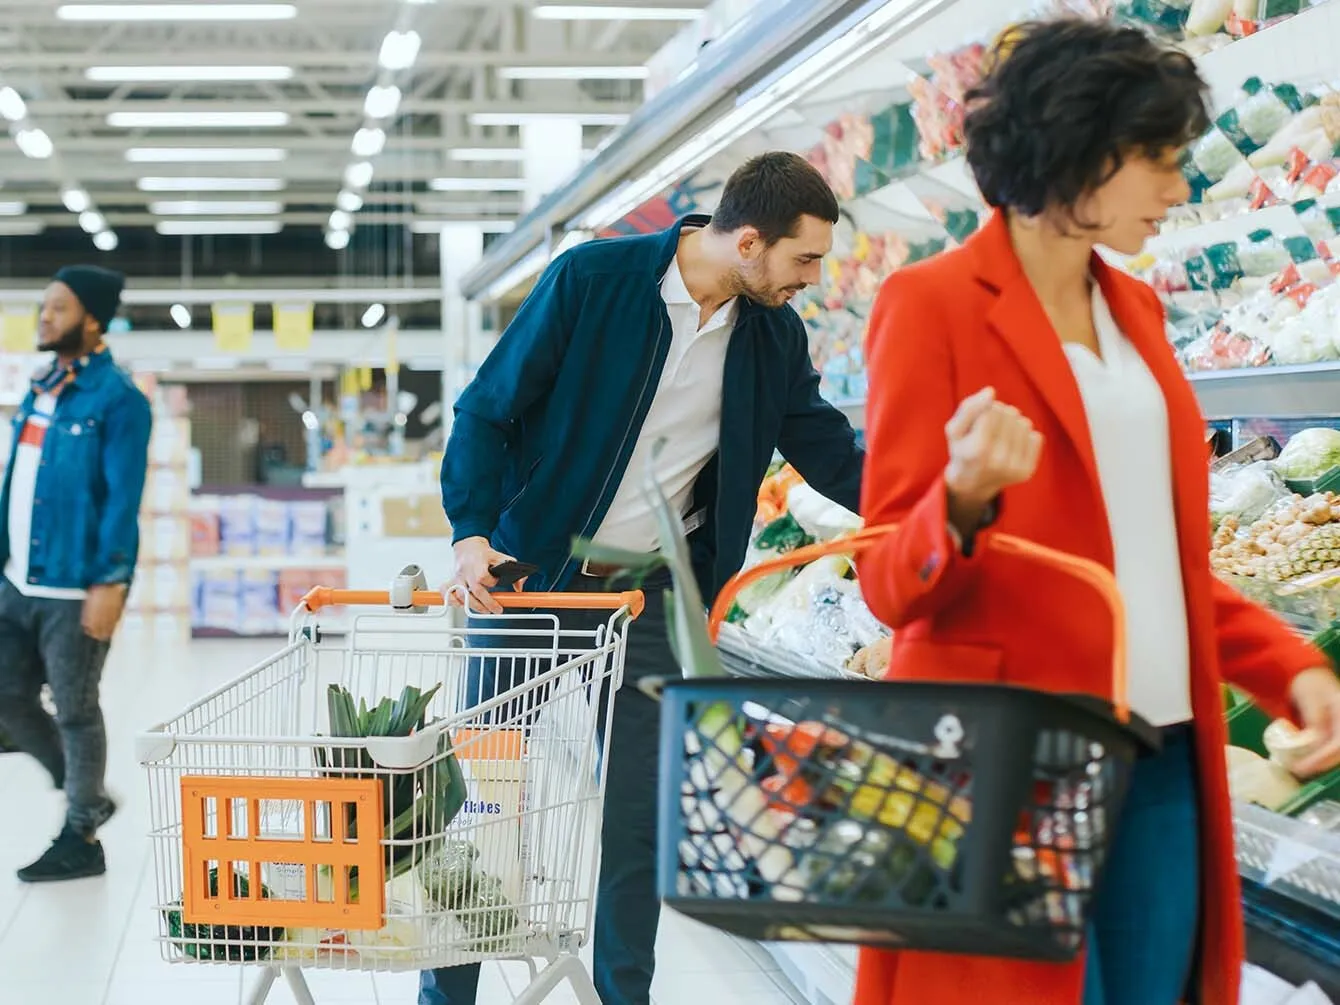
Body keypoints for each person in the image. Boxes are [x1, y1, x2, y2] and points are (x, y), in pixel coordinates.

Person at [855, 19, 1340, 1005]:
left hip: (1162, 750)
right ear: (1078, 151)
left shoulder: (1137, 314)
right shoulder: (930, 303)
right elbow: (883, 579)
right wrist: (958, 498)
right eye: (1157, 160)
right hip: (1013, 755)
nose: (1175, 188)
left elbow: (1158, 561)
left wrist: (1291, 669)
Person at [429, 152, 865, 1005]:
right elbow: (487, 406)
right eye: (803, 260)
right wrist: (471, 533)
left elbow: (827, 449)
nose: (812, 280)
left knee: (638, 819)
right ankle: (445, 997)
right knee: (488, 808)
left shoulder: (771, 336)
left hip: (653, 599)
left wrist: (945, 499)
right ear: (748, 241)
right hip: (527, 582)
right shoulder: (592, 280)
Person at [0, 265, 152, 883]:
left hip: (75, 586)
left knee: (75, 708)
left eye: (57, 308)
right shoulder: (42, 388)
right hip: (16, 579)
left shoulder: (119, 400)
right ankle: (84, 789)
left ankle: (81, 836)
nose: (44, 316)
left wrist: (110, 580)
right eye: (44, 306)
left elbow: (123, 498)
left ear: (91, 318)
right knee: (7, 695)